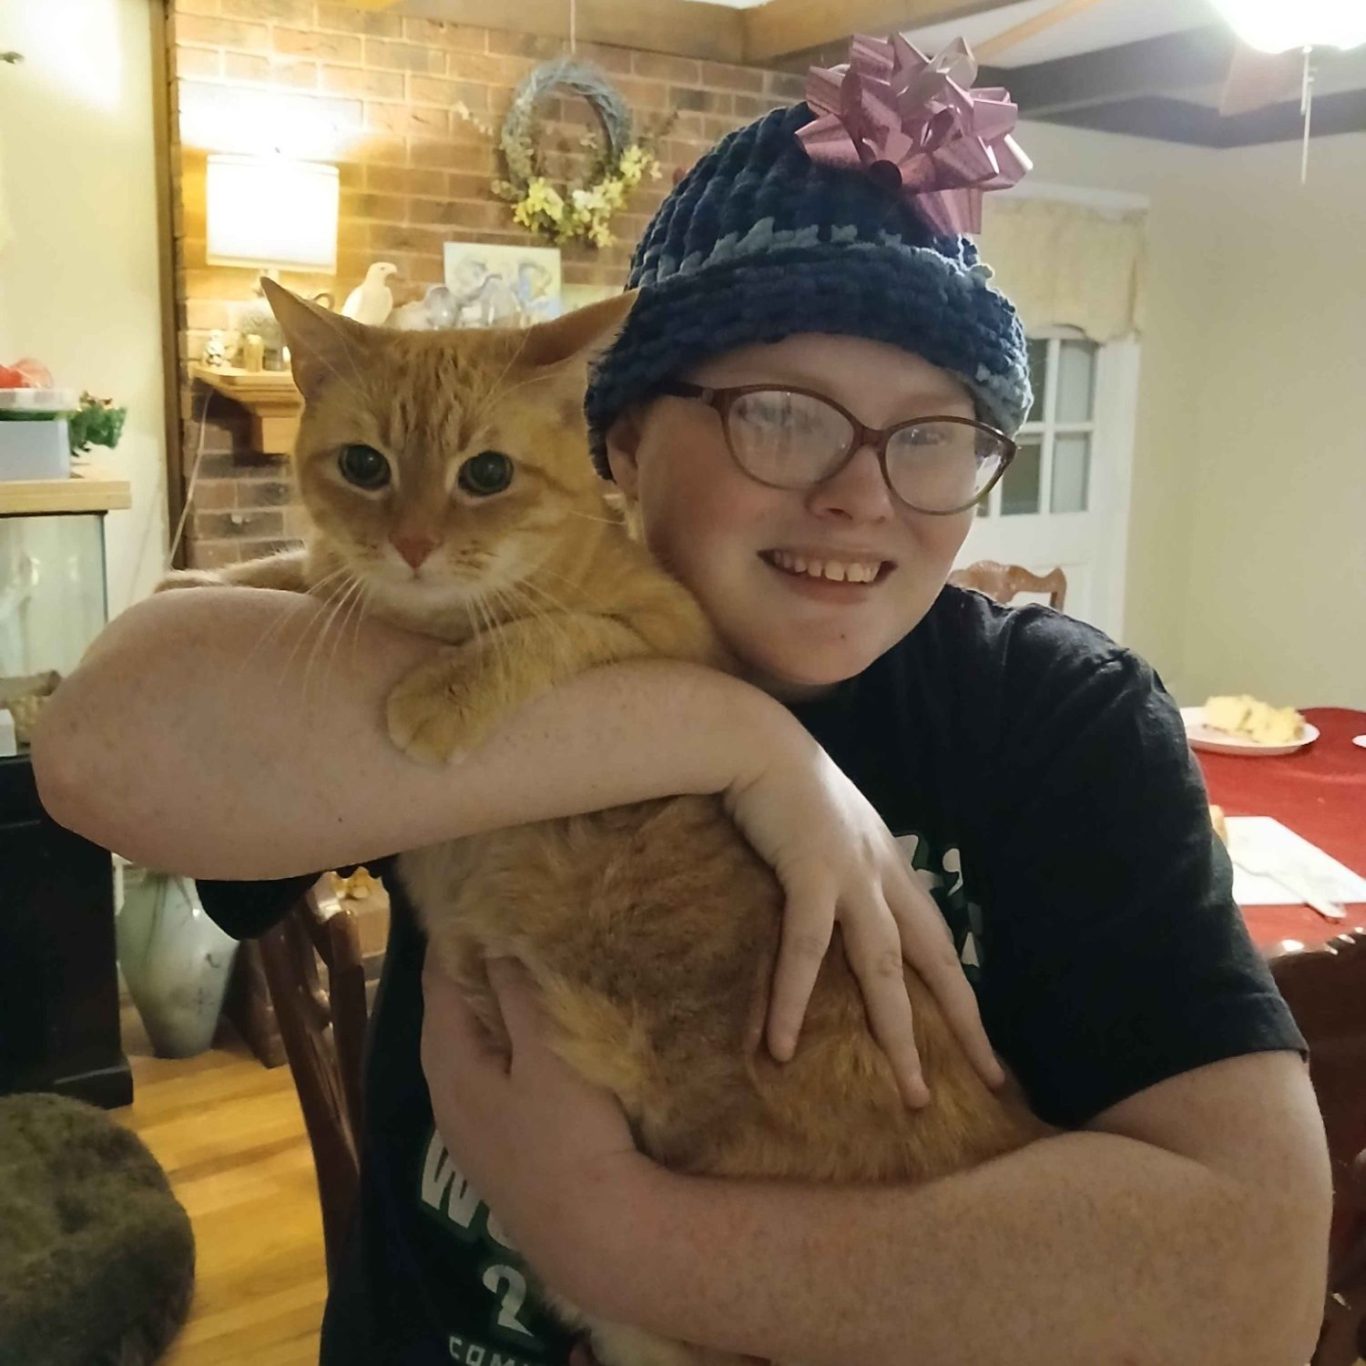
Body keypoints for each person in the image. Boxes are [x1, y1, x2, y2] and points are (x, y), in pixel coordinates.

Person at [34, 50, 1330, 1366]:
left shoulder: (1063, 721)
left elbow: (1253, 1299)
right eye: (783, 415)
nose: (857, 497)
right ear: (620, 443)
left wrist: (609, 1231)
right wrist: (739, 739)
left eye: (933, 435)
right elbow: (95, 745)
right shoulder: (461, 613)